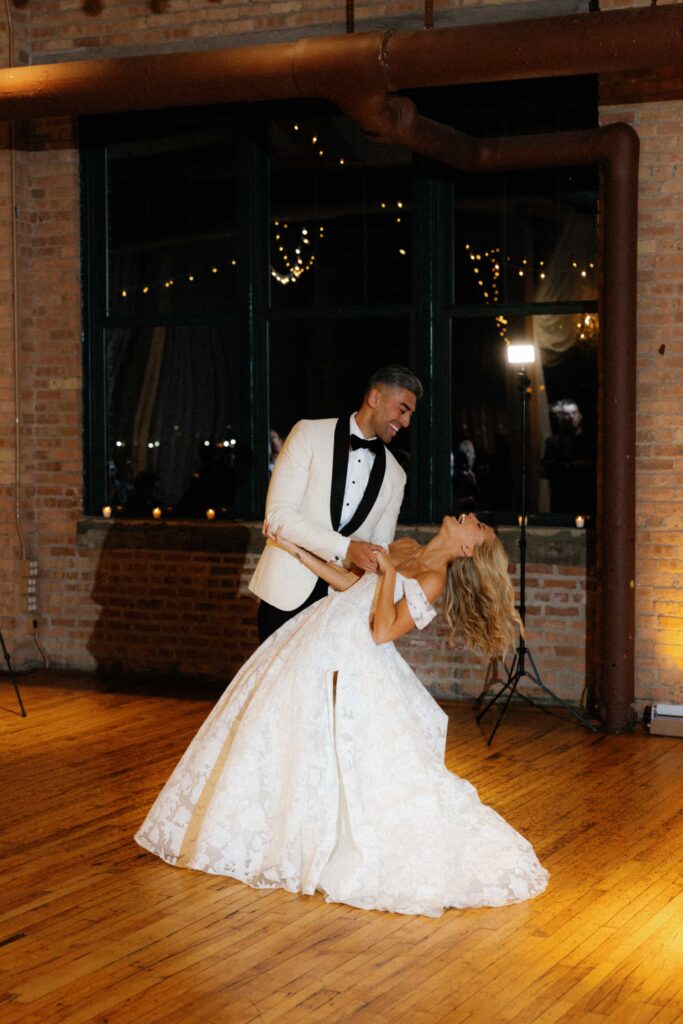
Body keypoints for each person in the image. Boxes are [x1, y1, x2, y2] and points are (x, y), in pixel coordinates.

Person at [135, 512, 549, 918]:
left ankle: (329, 846)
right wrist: (297, 552)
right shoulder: (405, 547)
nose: (470, 516)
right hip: (317, 638)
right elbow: (353, 588)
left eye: (476, 526)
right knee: (288, 739)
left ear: (466, 548)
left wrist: (389, 575)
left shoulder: (433, 578)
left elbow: (382, 631)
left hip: (355, 663)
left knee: (347, 760)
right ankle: (271, 839)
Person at [250, 365, 423, 641]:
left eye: (410, 414)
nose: (406, 422)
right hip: (285, 596)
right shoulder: (307, 433)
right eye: (402, 410)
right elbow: (278, 515)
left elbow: (379, 552)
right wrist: (347, 548)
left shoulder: (396, 475)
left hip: (343, 605)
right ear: (375, 398)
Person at [541, 399, 596, 514]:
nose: (571, 417)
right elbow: (548, 469)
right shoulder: (554, 442)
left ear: (580, 415)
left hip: (588, 496)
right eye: (567, 414)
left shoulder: (592, 441)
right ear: (561, 418)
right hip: (563, 498)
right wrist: (573, 466)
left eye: (574, 413)